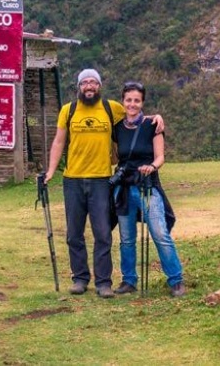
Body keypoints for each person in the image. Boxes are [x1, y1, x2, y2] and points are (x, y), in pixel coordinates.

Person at [44, 69, 164, 298]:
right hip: (73, 180)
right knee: (74, 234)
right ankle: (79, 279)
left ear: (99, 86)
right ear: (79, 87)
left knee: (102, 233)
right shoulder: (68, 111)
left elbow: (134, 116)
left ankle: (103, 282)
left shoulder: (111, 108)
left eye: (93, 82)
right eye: (85, 83)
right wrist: (51, 171)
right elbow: (59, 142)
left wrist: (156, 118)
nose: (89, 86)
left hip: (101, 180)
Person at [111, 81, 185, 297]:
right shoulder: (117, 129)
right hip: (125, 189)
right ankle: (129, 280)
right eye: (128, 100)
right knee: (126, 238)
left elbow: (160, 157)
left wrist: (151, 167)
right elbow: (117, 156)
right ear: (123, 101)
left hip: (147, 185)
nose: (132, 104)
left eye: (137, 100)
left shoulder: (153, 124)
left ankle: (176, 280)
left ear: (142, 102)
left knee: (160, 233)